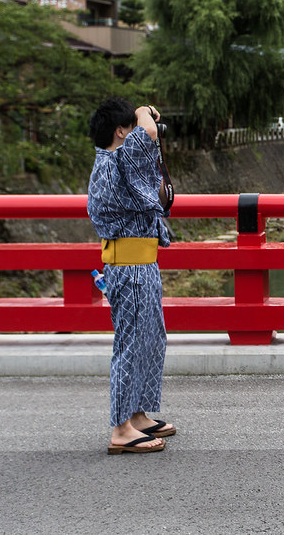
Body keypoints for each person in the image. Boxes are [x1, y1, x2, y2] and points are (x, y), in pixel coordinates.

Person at [87, 98, 176, 453]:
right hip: (129, 267)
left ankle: (136, 414)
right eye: (132, 126)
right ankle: (121, 430)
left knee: (150, 341)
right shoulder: (119, 158)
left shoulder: (116, 162)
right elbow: (149, 131)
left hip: (139, 263)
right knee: (131, 346)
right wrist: (144, 110)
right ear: (121, 131)